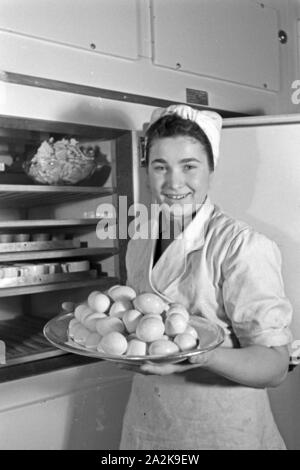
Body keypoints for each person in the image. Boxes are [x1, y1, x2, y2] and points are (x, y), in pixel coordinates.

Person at [119, 104, 293, 450]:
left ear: (211, 169)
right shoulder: (140, 237)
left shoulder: (241, 246)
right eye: (160, 167)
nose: (173, 183)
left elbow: (274, 366)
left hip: (222, 428)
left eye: (189, 166)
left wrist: (201, 356)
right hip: (150, 422)